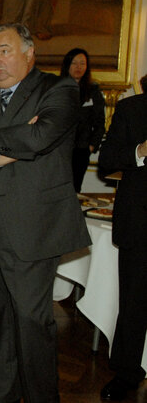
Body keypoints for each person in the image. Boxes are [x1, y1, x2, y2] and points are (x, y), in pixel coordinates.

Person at [0, 22, 90, 403]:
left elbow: (40, 137)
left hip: (32, 222)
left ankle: (42, 397)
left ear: (29, 53)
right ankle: (1, 393)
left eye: (4, 50)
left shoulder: (59, 90)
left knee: (30, 319)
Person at [97, 73, 147, 401]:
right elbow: (106, 163)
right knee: (134, 302)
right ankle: (128, 370)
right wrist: (140, 151)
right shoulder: (131, 109)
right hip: (142, 222)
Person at [60, 47, 105, 192]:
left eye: (82, 63)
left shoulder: (93, 91)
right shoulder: (56, 88)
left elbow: (100, 123)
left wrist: (91, 146)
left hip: (81, 149)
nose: (78, 67)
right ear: (67, 65)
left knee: (74, 189)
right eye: (75, 63)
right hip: (59, 148)